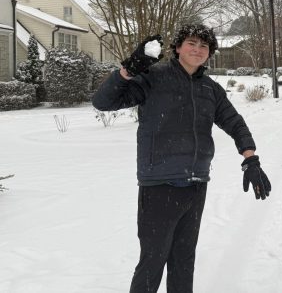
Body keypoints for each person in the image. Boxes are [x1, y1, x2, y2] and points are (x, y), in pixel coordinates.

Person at [92, 24, 271, 293]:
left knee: (184, 261)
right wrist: (127, 71)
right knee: (152, 262)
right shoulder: (153, 77)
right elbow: (103, 102)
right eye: (192, 43)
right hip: (159, 184)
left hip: (196, 184)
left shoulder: (210, 89)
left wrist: (251, 158)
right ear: (177, 47)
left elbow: (235, 123)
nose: (198, 50)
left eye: (204, 46)